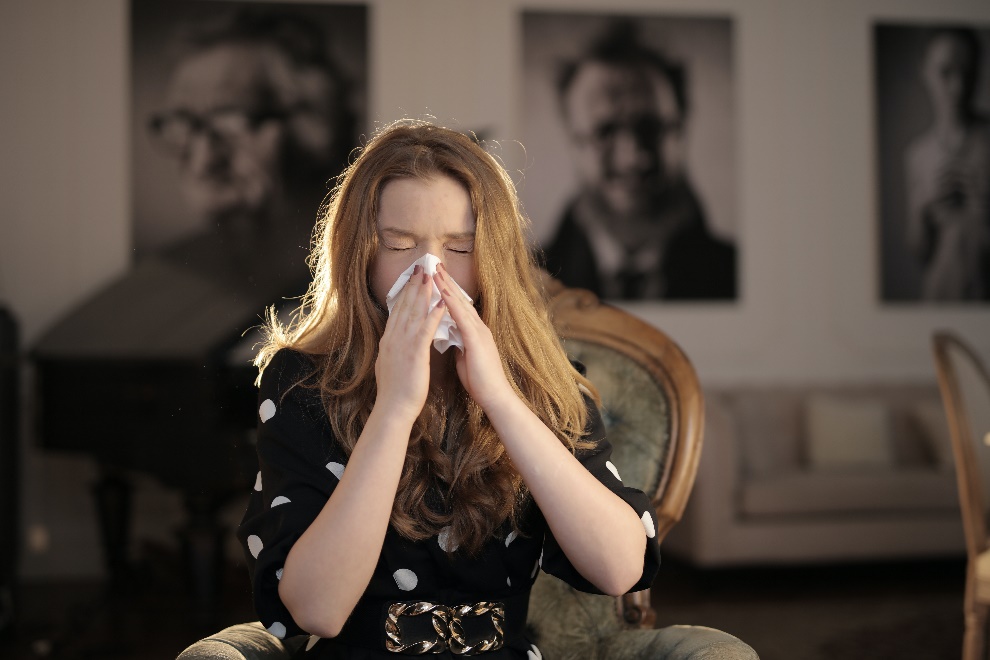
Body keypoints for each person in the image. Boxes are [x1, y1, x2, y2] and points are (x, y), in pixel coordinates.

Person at [236, 121, 661, 658]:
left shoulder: (545, 384)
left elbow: (620, 569)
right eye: (399, 244)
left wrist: (501, 399)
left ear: (493, 260)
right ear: (359, 256)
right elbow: (317, 608)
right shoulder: (302, 384)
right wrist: (394, 408)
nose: (430, 272)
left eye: (459, 248)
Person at [146, 7, 356, 298]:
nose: (203, 161)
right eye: (184, 125)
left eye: (232, 122)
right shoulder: (172, 281)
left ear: (313, 129)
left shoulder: (357, 277)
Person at [540, 21, 736, 300]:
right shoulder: (525, 280)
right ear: (572, 139)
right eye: (605, 131)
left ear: (681, 130)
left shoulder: (733, 274)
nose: (633, 158)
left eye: (651, 128)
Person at [905, 27, 990, 301]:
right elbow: (919, 252)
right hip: (938, 297)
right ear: (924, 72)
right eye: (945, 72)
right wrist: (922, 208)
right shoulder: (917, 154)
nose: (958, 86)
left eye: (967, 72)